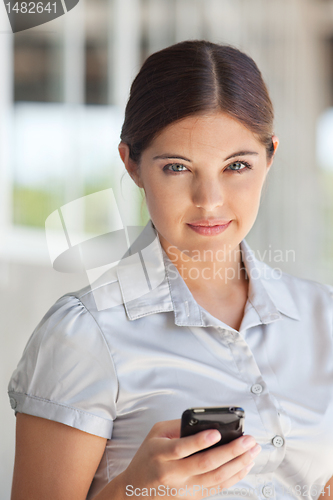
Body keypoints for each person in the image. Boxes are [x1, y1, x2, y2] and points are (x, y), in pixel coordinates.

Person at [8, 40, 333, 500]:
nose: (210, 199)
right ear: (133, 165)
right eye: (178, 168)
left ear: (270, 158)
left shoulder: (324, 317)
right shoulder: (84, 334)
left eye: (237, 165)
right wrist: (136, 490)